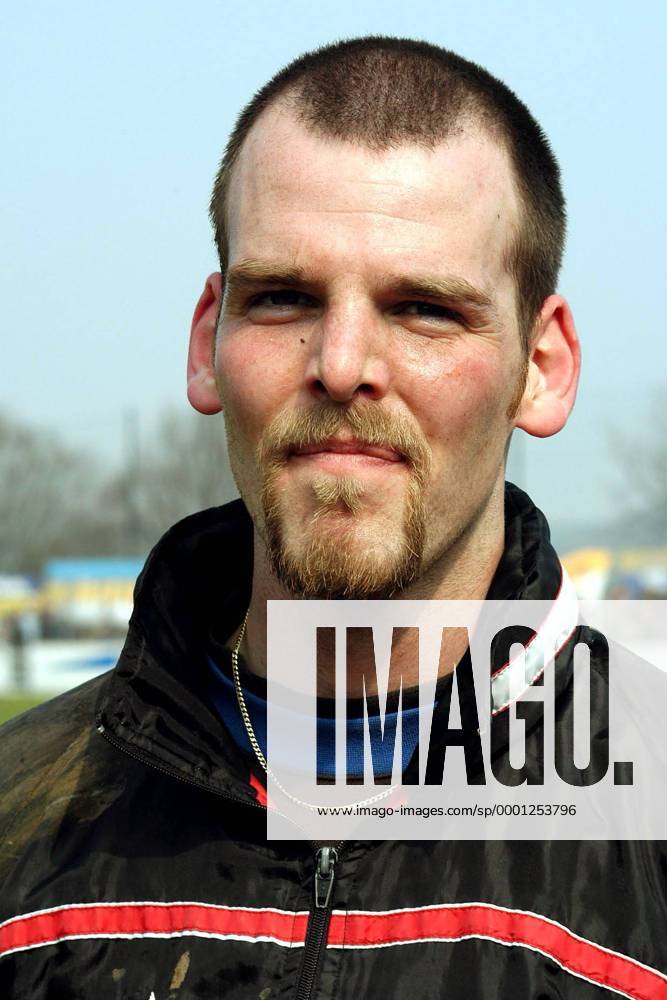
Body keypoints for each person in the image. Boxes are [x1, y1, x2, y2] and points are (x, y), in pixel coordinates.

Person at [0, 36, 665, 1000]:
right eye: (282, 298)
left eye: (424, 308)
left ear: (542, 367)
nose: (342, 364)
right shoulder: (18, 819)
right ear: (207, 341)